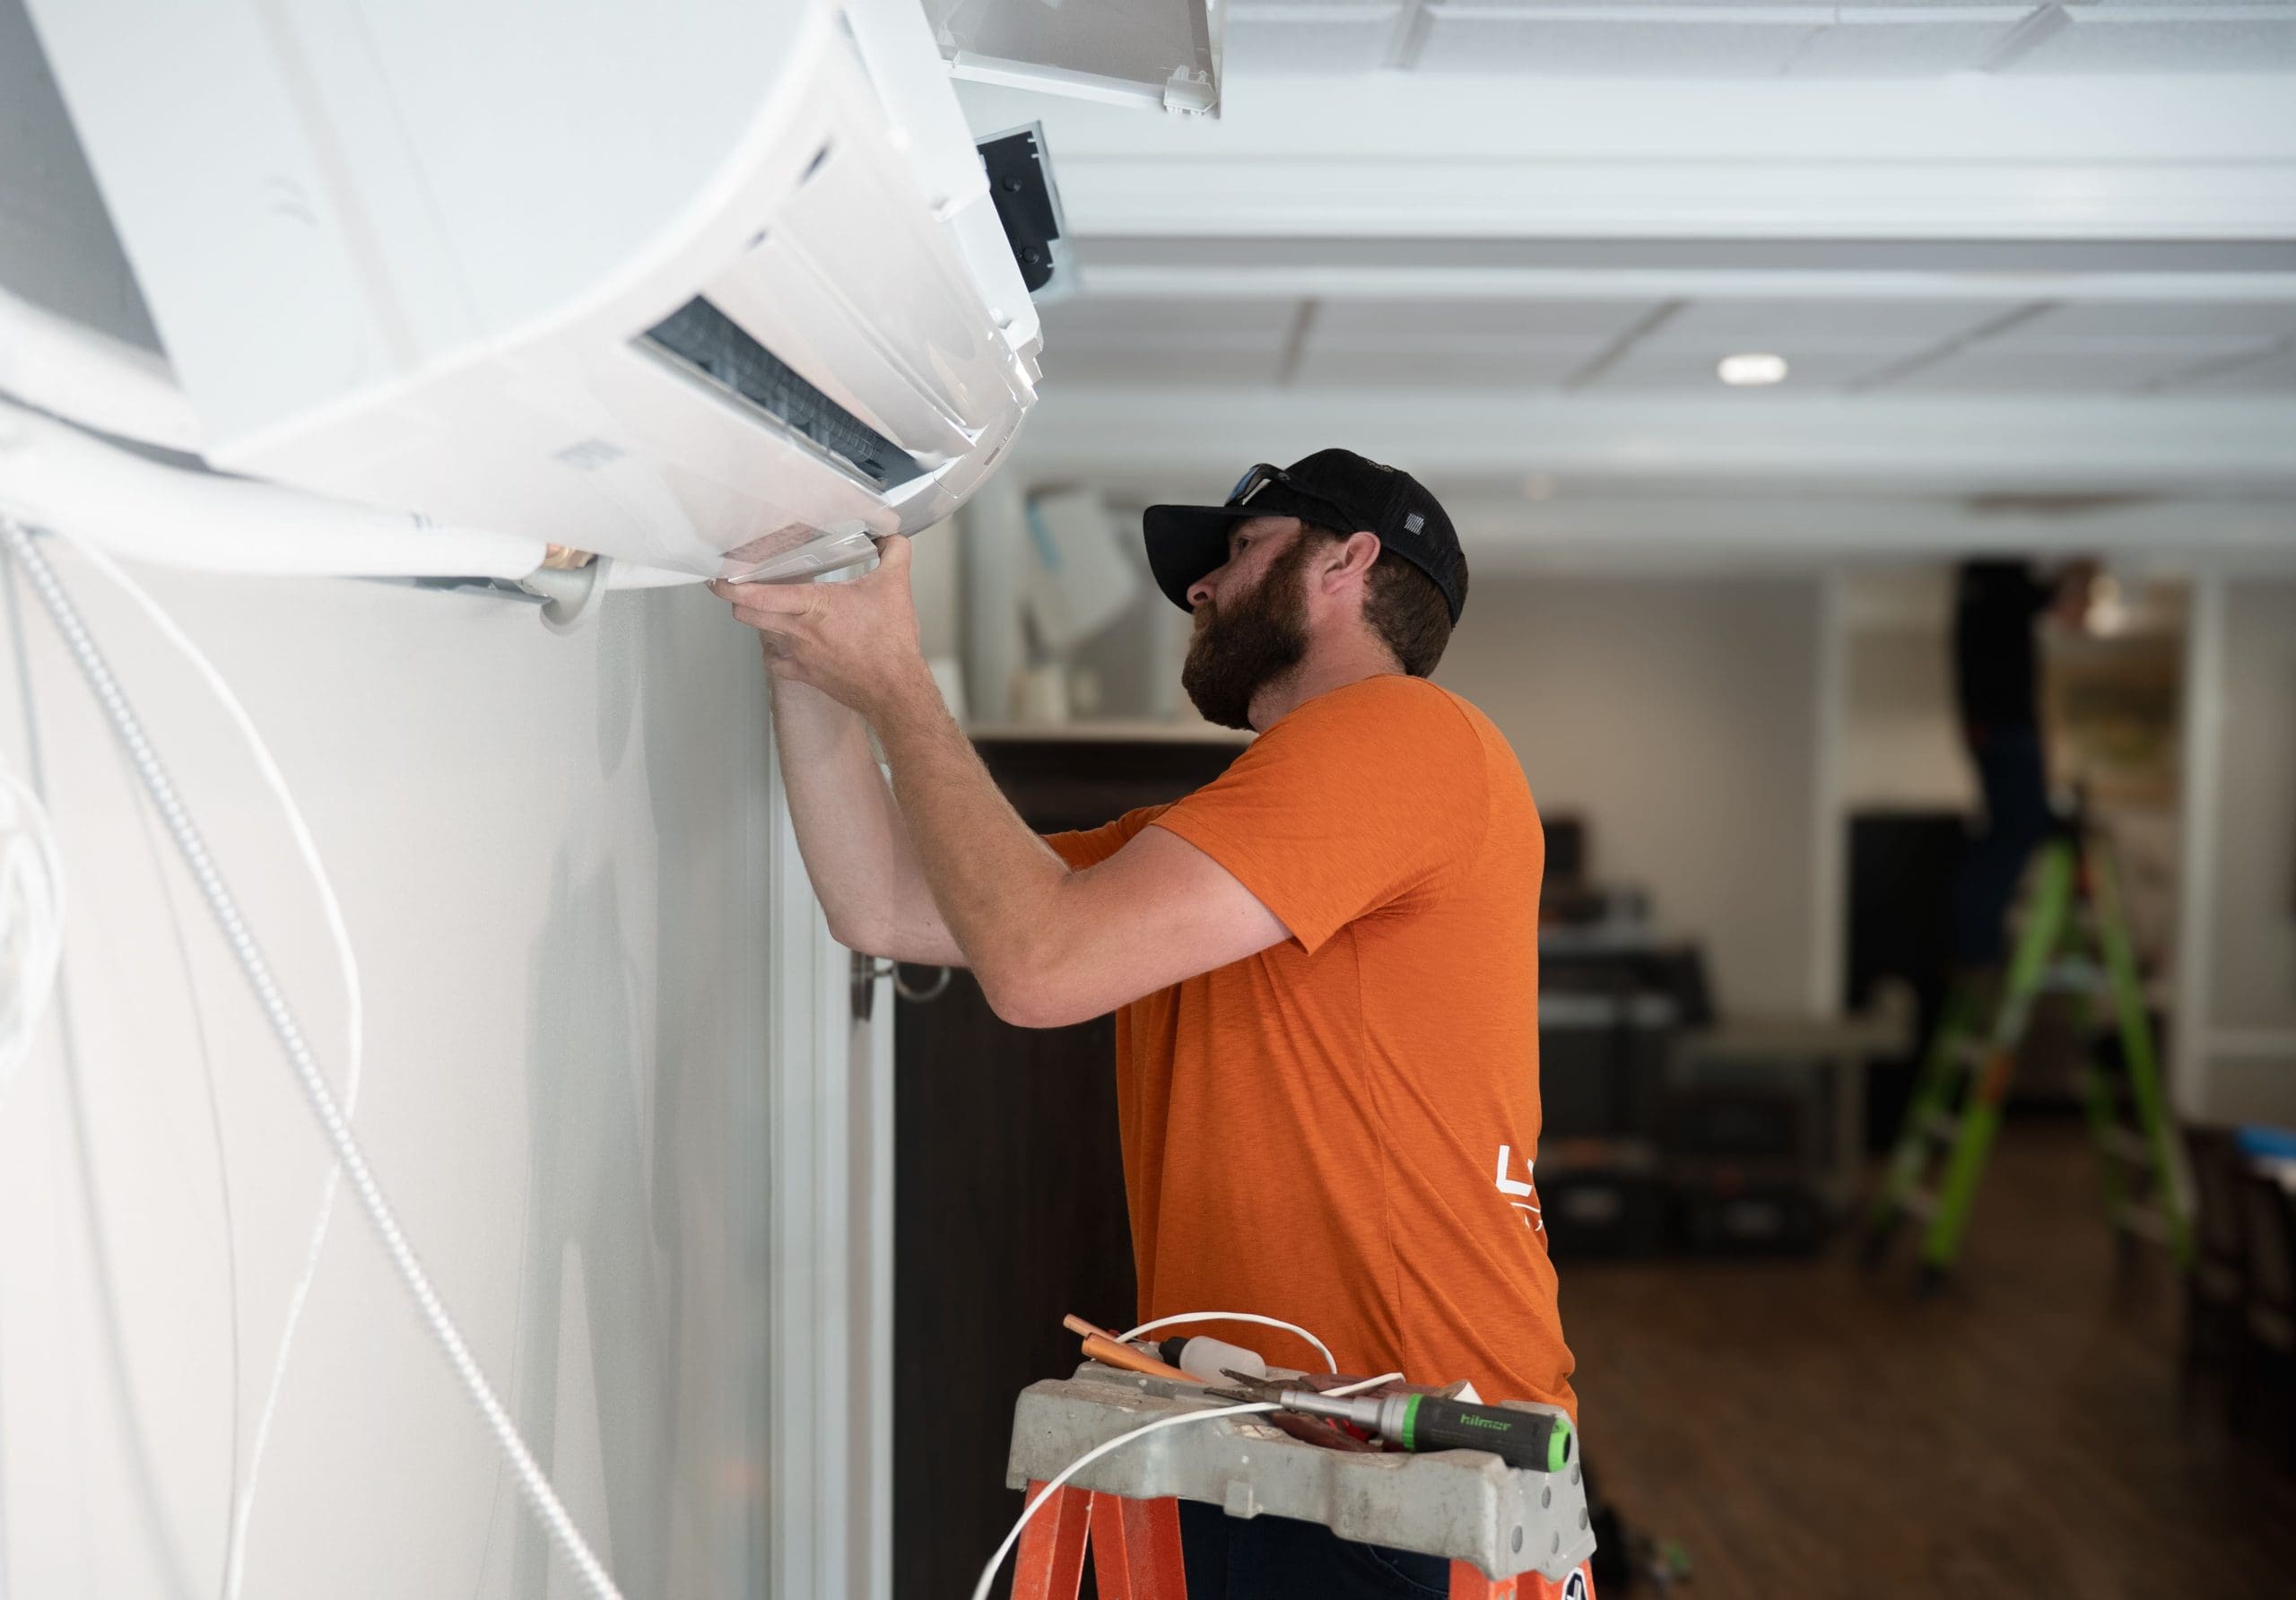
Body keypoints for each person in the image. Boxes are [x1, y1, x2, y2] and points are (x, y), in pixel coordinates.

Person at [714, 449, 1574, 1599]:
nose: (1202, 588)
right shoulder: (1225, 833)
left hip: (1407, 1457)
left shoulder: (1409, 734)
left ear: (1350, 560)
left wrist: (897, 682)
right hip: (1276, 1448)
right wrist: (805, 649)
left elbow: (1038, 967)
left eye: (1241, 550)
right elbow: (883, 901)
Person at [1949, 557, 2095, 973]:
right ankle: (1976, 950)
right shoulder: (1997, 580)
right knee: (2017, 829)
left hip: (1998, 727)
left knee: (2012, 829)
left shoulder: (1988, 583)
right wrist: (2080, 574)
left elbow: (2062, 606)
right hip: (2004, 727)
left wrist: (2078, 576)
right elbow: (2065, 608)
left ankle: (1975, 948)